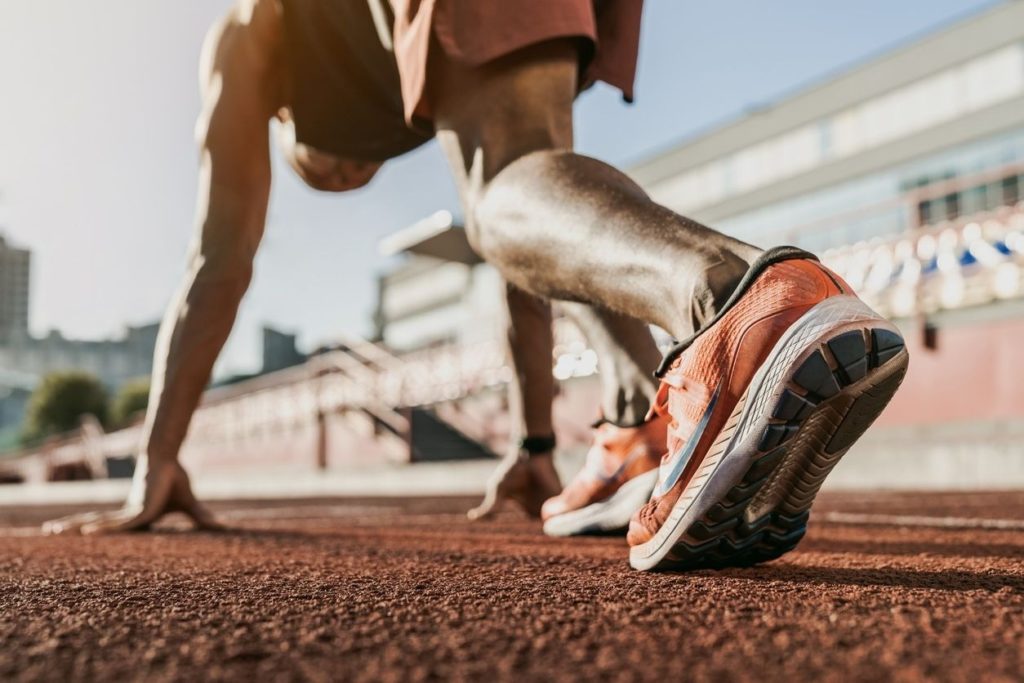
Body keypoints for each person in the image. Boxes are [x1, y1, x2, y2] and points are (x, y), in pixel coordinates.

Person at [44, 0, 909, 571]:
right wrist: (534, 443)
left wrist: (155, 456)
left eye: (334, 167)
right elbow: (537, 257)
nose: (353, 172)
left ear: (287, 124)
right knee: (532, 200)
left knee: (505, 197)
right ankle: (647, 425)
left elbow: (218, 257)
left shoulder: (248, 33)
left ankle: (744, 301)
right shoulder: (387, 67)